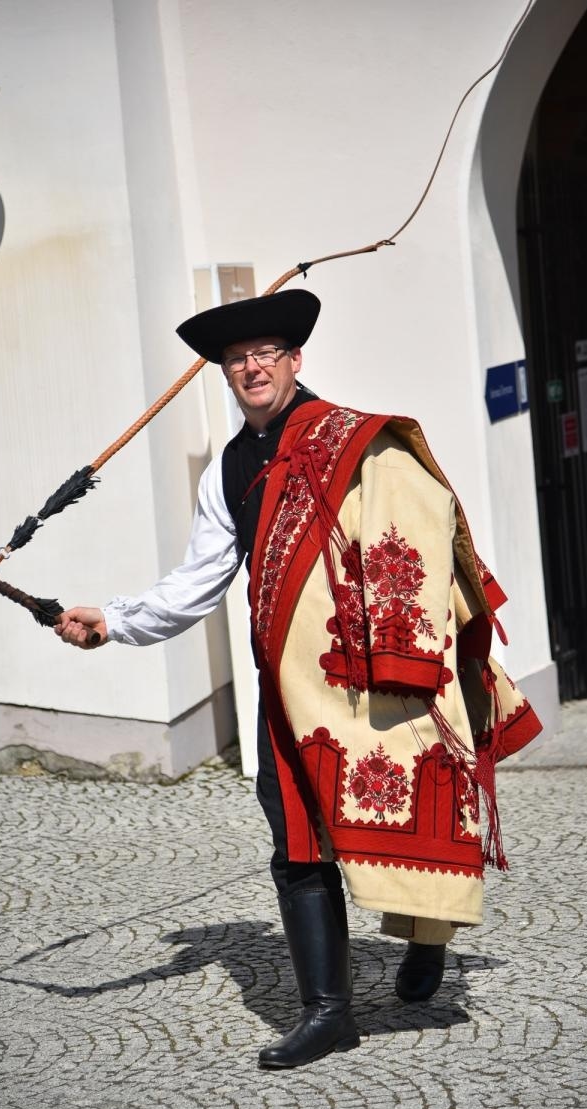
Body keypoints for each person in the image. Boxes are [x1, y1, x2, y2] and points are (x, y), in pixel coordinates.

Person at [55, 289, 541, 1069]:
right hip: (288, 690)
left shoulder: (356, 443)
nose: (251, 367)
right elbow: (199, 578)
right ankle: (328, 1012)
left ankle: (426, 943)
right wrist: (113, 621)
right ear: (224, 374)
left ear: (294, 361)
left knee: (416, 806)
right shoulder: (229, 470)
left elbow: (415, 526)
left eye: (265, 353)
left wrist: (402, 652)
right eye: (236, 358)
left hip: (374, 675)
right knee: (297, 839)